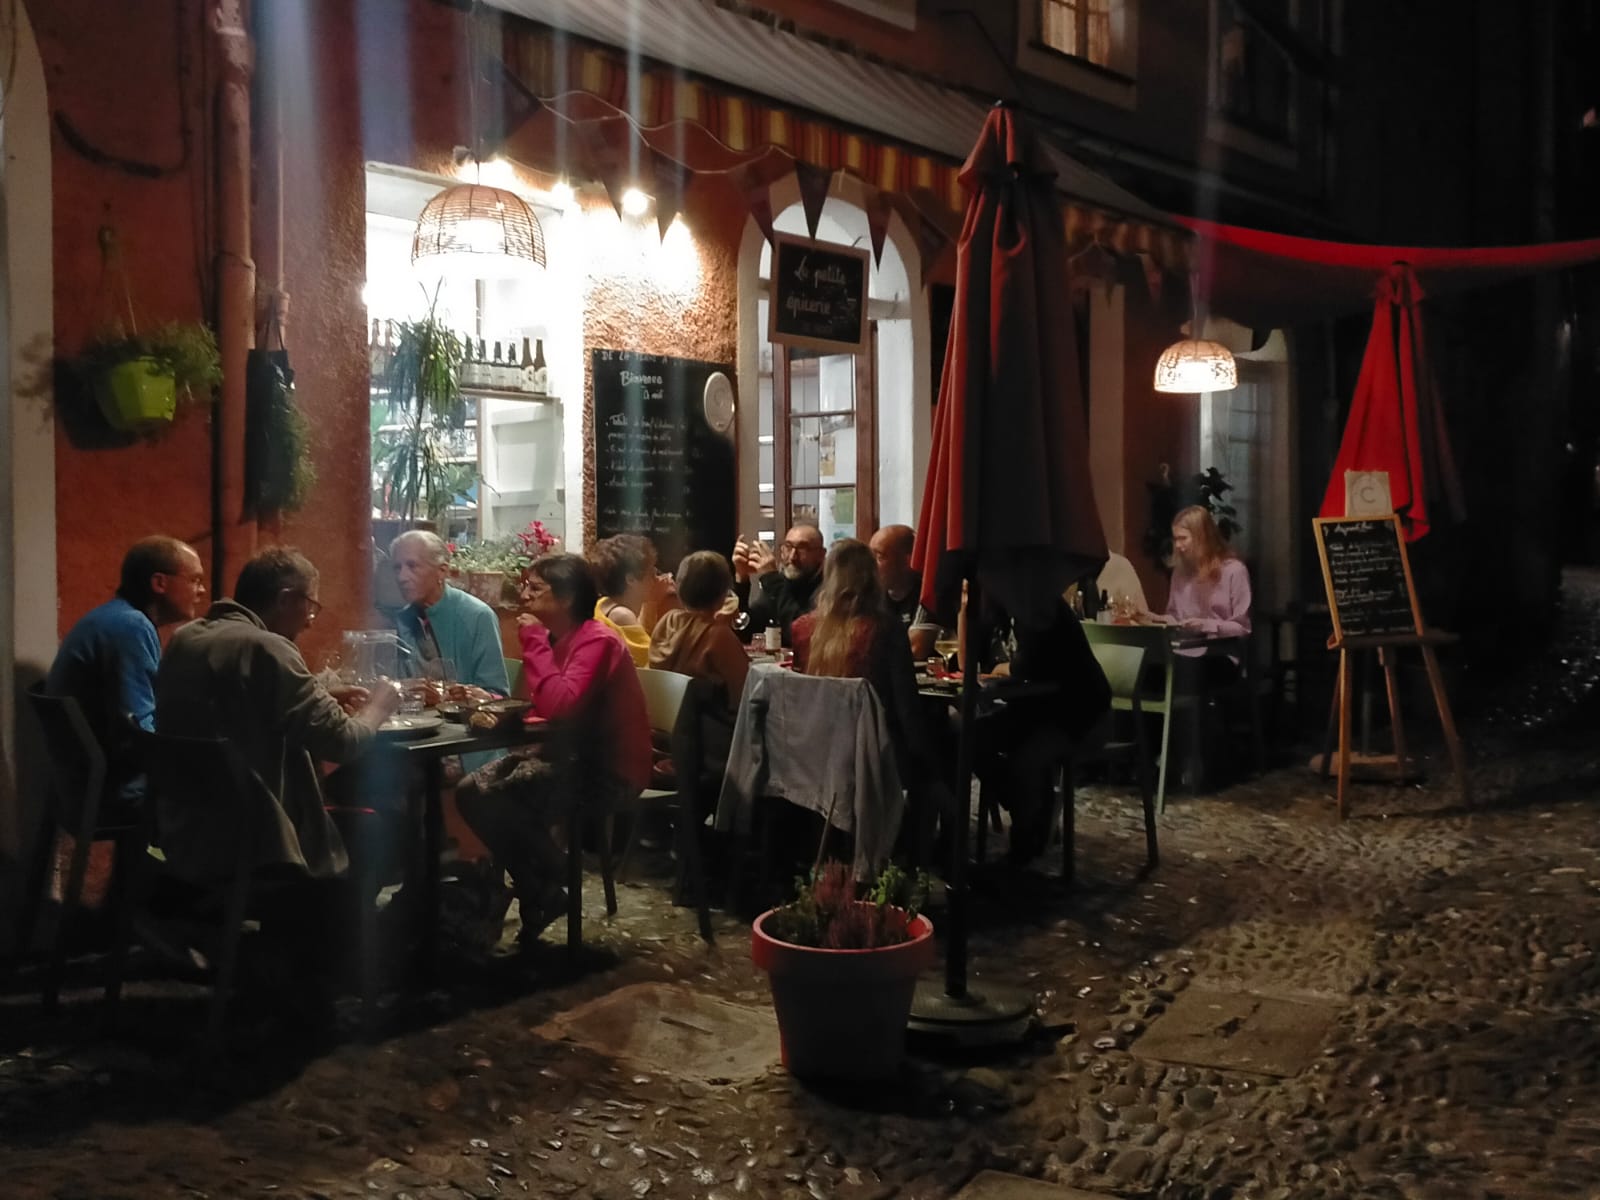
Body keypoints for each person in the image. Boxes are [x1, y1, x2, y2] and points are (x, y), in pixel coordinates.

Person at [154, 546, 402, 882]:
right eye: (311, 605)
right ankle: (324, 931)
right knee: (380, 829)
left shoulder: (188, 638)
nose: (312, 620)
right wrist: (379, 705)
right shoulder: (268, 648)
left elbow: (235, 700)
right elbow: (344, 741)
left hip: (190, 832)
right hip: (262, 842)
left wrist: (318, 691)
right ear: (286, 599)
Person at [456, 553, 651, 948]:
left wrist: (531, 642)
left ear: (565, 598)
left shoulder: (597, 641)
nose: (524, 595)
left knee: (500, 799)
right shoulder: (556, 639)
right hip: (564, 759)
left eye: (535, 588)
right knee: (469, 791)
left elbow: (560, 704)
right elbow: (536, 704)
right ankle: (542, 887)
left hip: (609, 770)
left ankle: (554, 877)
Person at [45, 536, 207, 800]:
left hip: (81, 780)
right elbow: (138, 732)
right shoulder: (131, 627)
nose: (201, 591)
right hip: (114, 787)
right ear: (159, 583)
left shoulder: (113, 616)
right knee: (222, 788)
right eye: (195, 580)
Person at [790, 539, 928, 788]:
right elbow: (907, 707)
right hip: (876, 753)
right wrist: (928, 765)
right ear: (871, 579)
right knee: (939, 745)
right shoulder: (886, 630)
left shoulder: (801, 629)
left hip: (817, 752)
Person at [649, 550, 750, 774]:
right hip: (711, 754)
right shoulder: (718, 636)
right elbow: (744, 697)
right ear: (724, 592)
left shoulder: (666, 623)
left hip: (665, 746)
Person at [391, 529, 510, 697]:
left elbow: (497, 696)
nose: (402, 577)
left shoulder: (478, 616)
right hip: (413, 719)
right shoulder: (402, 620)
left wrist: (458, 697)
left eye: (412, 566)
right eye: (397, 568)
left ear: (442, 571)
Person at [1164, 505, 1252, 676]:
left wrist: (1205, 625)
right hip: (1182, 651)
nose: (1178, 545)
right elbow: (1173, 616)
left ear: (1201, 538)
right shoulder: (1179, 572)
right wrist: (1156, 620)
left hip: (1219, 654)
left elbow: (1243, 628)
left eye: (1183, 539)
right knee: (1143, 668)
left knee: (1174, 672)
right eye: (1175, 539)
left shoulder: (1234, 570)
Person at [590, 533, 676, 669]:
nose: (656, 578)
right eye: (651, 572)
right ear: (631, 579)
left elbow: (640, 637)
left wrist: (652, 602)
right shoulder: (621, 615)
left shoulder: (603, 603)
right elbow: (654, 663)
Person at [731, 524, 824, 646]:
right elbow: (745, 631)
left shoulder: (828, 587)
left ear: (821, 555)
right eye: (788, 547)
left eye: (802, 548)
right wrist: (741, 578)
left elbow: (801, 635)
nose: (792, 557)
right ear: (782, 551)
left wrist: (771, 579)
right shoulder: (781, 585)